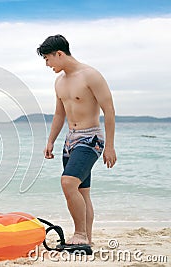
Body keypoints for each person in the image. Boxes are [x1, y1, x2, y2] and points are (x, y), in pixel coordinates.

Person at [37, 35, 117, 245]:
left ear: (60, 54)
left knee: (68, 182)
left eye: (47, 58)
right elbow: (59, 115)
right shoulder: (59, 82)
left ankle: (79, 233)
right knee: (82, 192)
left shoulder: (91, 76)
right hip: (70, 141)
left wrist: (109, 146)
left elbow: (109, 110)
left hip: (91, 138)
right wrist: (51, 141)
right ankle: (87, 240)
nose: (47, 64)